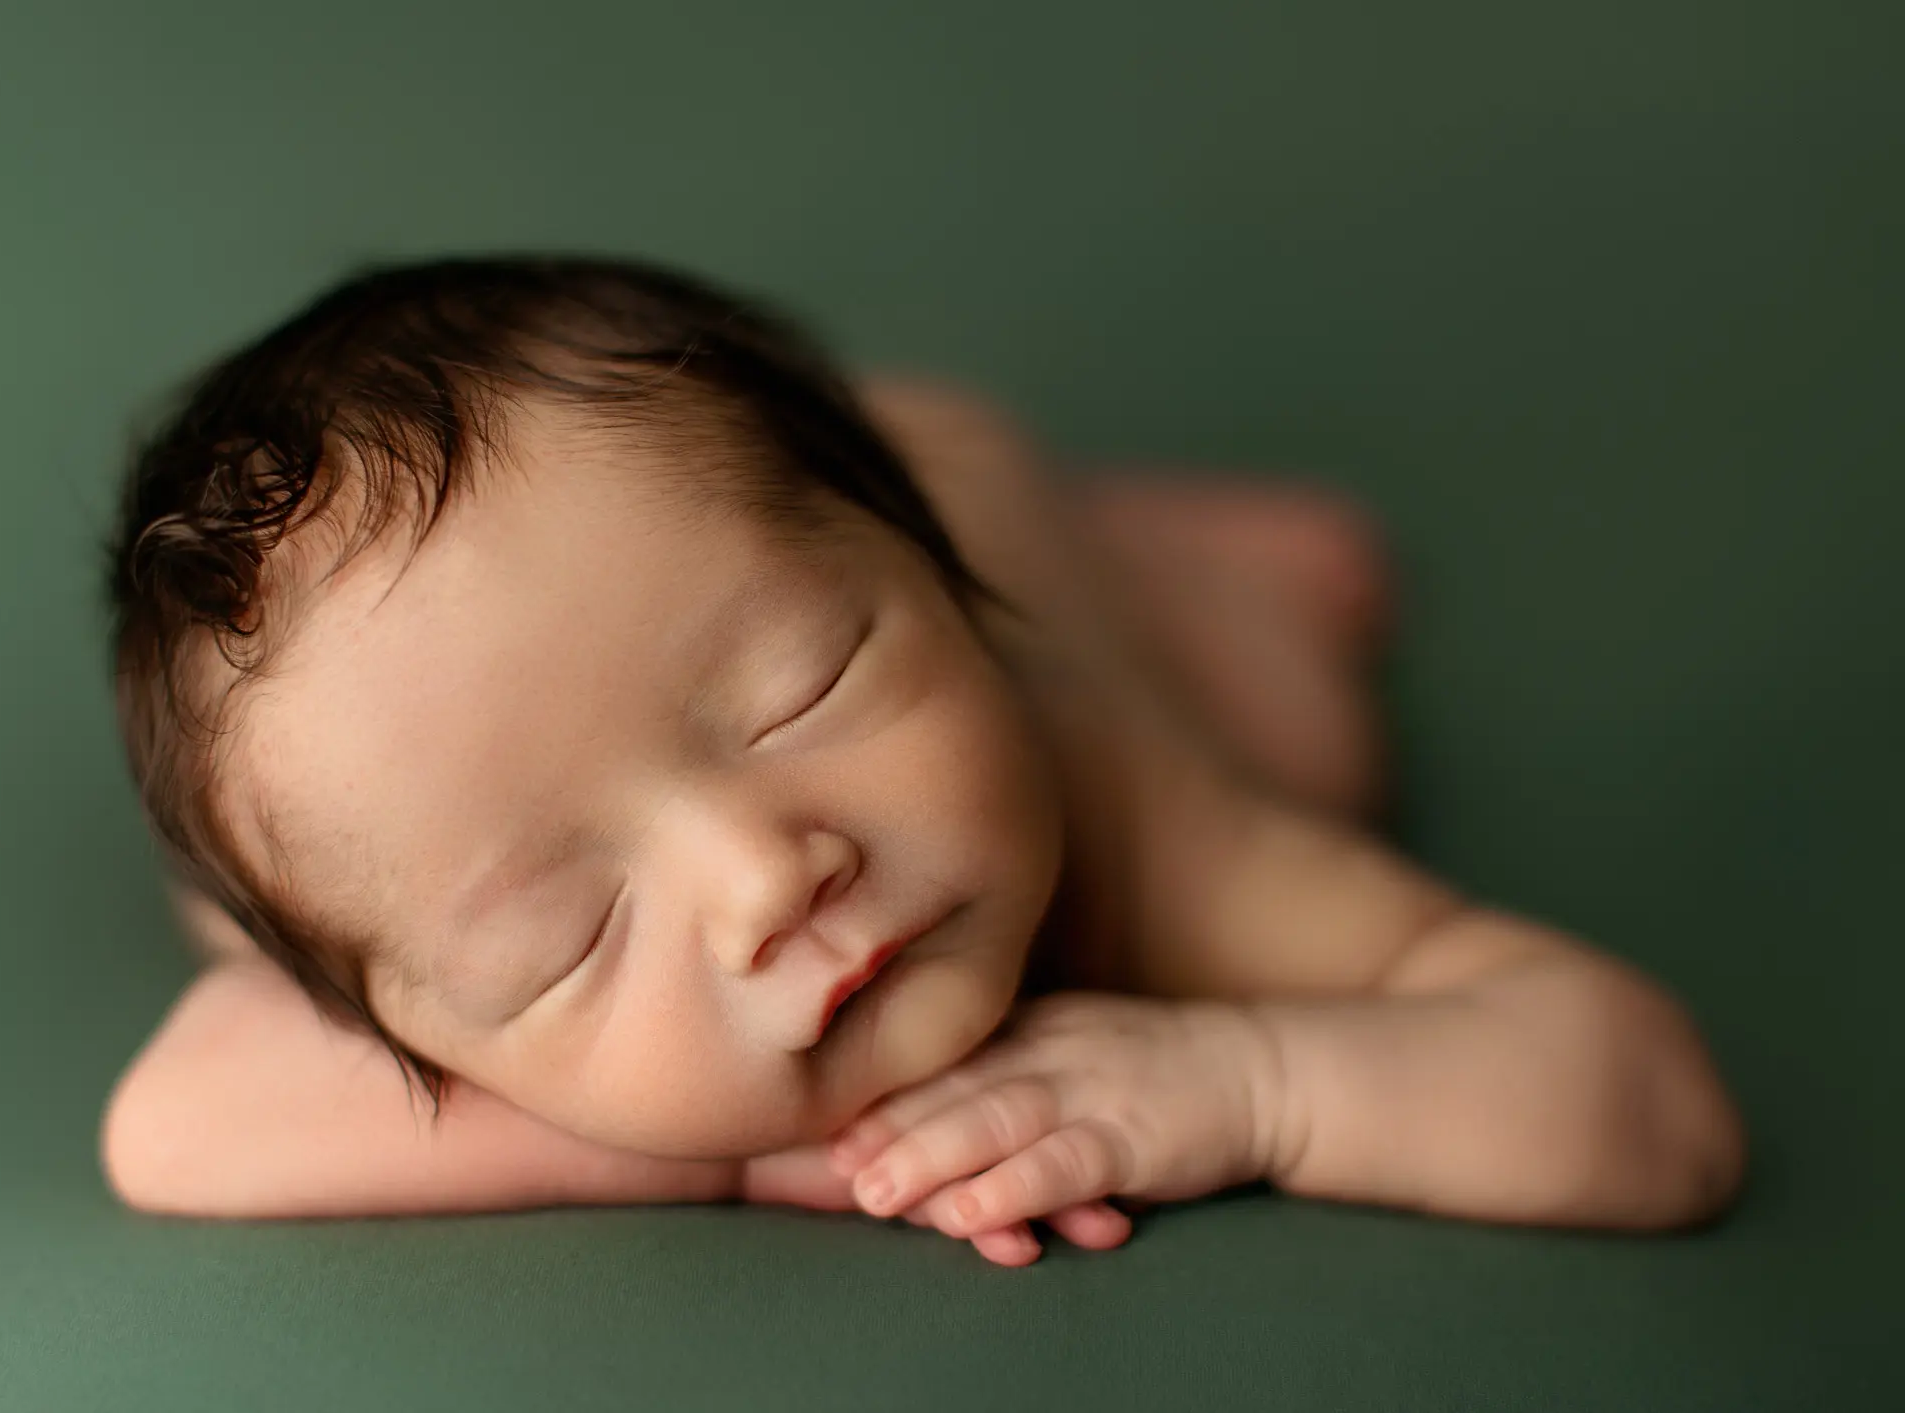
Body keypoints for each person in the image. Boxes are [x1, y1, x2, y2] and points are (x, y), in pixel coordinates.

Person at [99, 255, 1745, 1267]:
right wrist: (737, 1143)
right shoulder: (384, 819)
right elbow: (168, 1123)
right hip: (827, 509)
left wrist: (1255, 1079)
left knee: (1299, 720)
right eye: (570, 936)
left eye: (808, 689)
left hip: (984, 523)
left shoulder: (1141, 831)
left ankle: (1190, 564)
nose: (766, 870)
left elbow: (1650, 1102)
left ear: (926, 600)